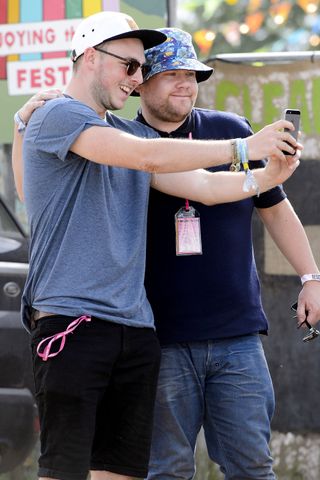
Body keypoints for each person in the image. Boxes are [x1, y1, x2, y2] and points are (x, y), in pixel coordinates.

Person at [12, 12, 301, 480]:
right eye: (129, 66)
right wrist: (244, 147)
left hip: (136, 328)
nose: (136, 78)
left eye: (141, 69)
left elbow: (204, 188)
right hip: (72, 321)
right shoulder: (58, 113)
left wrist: (267, 176)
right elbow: (148, 157)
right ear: (90, 57)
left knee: (125, 472)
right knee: (66, 469)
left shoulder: (128, 132)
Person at [133, 28, 320, 480]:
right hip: (157, 338)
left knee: (252, 466)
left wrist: (311, 278)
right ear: (139, 82)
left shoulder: (232, 131)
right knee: (167, 470)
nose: (185, 83)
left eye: (192, 74)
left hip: (237, 336)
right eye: (171, 74)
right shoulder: (123, 142)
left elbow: (276, 210)